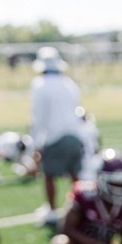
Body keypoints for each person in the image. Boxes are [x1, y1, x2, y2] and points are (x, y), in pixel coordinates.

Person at [30, 44, 84, 227]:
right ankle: (82, 206)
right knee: (75, 175)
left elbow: (39, 118)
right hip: (76, 135)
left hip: (55, 136)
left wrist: (36, 144)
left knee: (49, 175)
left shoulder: (40, 85)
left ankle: (52, 211)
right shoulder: (69, 84)